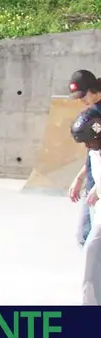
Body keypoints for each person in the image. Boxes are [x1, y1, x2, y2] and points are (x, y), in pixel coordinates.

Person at [67, 69, 101, 246]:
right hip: (93, 182)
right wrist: (80, 177)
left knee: (90, 238)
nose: (82, 101)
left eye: (83, 96)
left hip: (98, 185)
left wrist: (98, 187)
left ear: (93, 88)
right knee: (85, 236)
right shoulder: (94, 111)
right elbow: (94, 152)